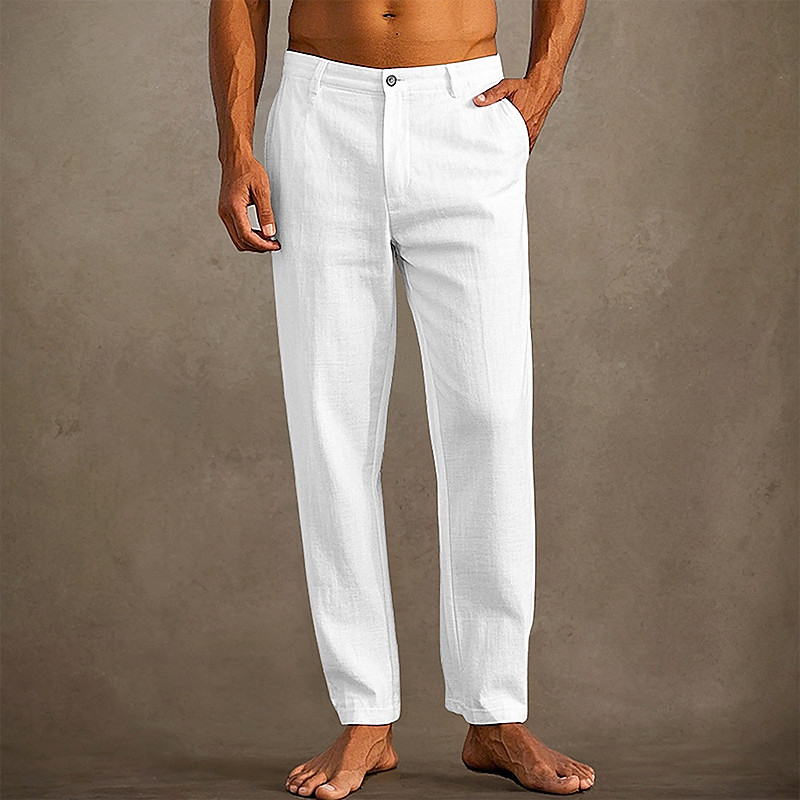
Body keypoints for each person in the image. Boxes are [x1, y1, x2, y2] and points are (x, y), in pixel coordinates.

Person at [209, 1, 593, 796]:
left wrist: (546, 79)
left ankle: (495, 713)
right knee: (333, 422)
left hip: (465, 110)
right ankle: (364, 714)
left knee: (491, 416)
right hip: (321, 113)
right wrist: (236, 144)